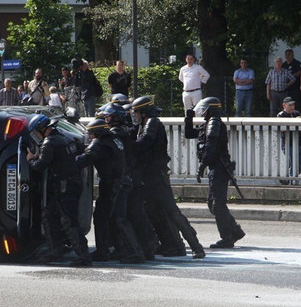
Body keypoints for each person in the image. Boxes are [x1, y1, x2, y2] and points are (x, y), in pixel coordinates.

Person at [132, 96, 205, 259]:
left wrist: (128, 146)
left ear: (144, 112)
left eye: (136, 112)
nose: (134, 115)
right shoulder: (143, 124)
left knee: (172, 212)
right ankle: (164, 245)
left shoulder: (152, 123)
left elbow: (145, 143)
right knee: (150, 212)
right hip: (149, 176)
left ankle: (196, 247)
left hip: (156, 178)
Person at [75, 118, 145, 264]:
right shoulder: (113, 140)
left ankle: (134, 252)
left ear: (97, 133)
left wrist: (66, 157)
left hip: (114, 185)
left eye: (91, 134)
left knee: (118, 219)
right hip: (117, 183)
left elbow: (83, 160)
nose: (90, 137)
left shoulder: (99, 144)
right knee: (103, 217)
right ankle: (106, 251)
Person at [25, 114, 91, 267]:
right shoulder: (65, 136)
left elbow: (40, 166)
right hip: (71, 183)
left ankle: (83, 256)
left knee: (69, 221)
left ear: (42, 129)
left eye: (36, 132)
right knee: (49, 215)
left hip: (64, 185)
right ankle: (56, 249)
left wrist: (30, 159)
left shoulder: (49, 143)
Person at [185, 97, 245, 249]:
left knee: (217, 204)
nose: (202, 112)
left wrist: (201, 167)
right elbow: (190, 134)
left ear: (211, 109)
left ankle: (227, 238)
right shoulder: (209, 123)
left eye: (204, 109)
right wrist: (188, 118)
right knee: (213, 203)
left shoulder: (214, 123)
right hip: (216, 168)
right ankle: (234, 231)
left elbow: (211, 148)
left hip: (219, 168)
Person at [106, 103, 158, 260]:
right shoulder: (126, 132)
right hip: (131, 177)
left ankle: (136, 251)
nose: (105, 119)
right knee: (133, 215)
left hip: (127, 178)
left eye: (108, 116)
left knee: (123, 217)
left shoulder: (117, 134)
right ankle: (142, 248)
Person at [277, 96, 301, 184]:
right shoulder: (281, 115)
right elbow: (281, 128)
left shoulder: (296, 113)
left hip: (299, 143)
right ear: (284, 105)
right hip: (288, 144)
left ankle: (287, 180)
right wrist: (295, 120)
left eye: (293, 105)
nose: (292, 107)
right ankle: (291, 183)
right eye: (290, 105)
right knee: (293, 165)